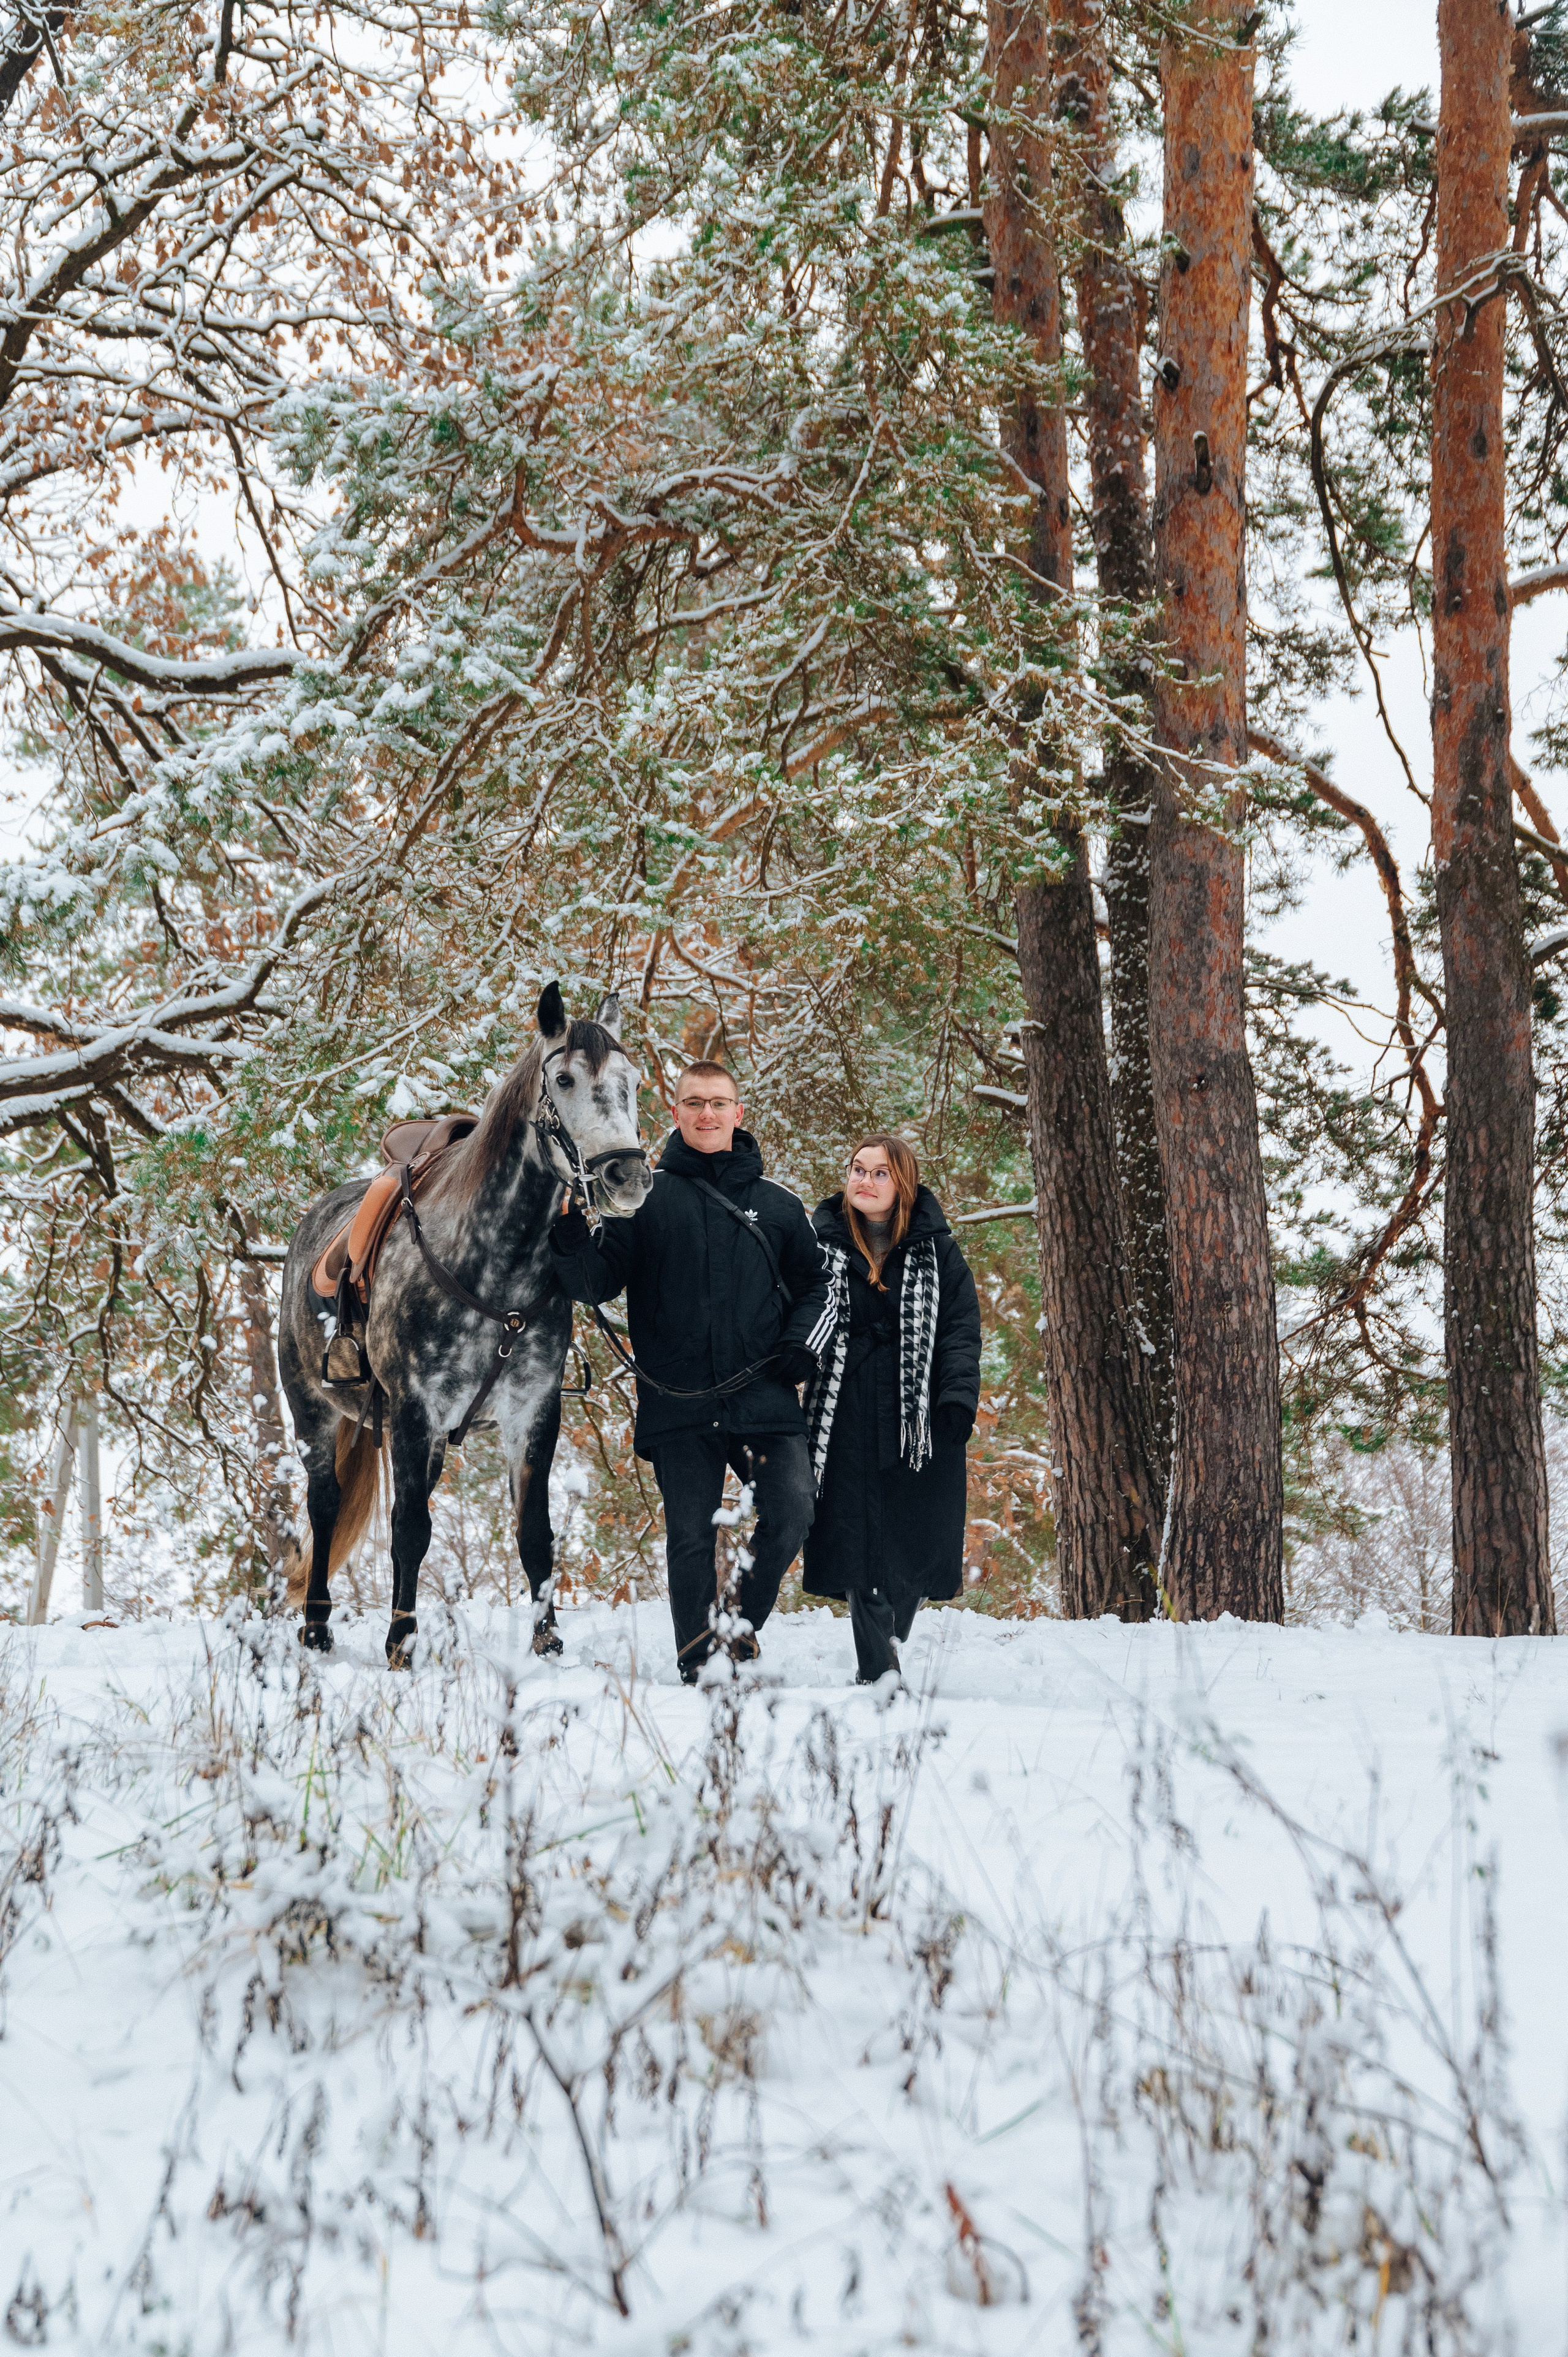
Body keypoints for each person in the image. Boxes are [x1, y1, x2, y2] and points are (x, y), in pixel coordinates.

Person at [550, 1059, 831, 1681]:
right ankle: (696, 1661)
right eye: (694, 1103)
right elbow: (597, 1282)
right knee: (691, 1539)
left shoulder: (780, 1205)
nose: (707, 1113)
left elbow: (821, 1286)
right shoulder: (640, 1200)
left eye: (719, 1102)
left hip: (764, 1395)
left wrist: (802, 1346)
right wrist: (569, 1234)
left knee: (793, 1509)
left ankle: (739, 1624)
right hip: (678, 1403)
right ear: (674, 1114)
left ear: (738, 1112)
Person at [802, 1135, 982, 1684]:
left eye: (880, 1173)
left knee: (912, 1545)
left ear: (902, 1183)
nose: (864, 1180)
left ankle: (889, 1636)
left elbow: (959, 1331)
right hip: (845, 1412)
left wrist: (955, 1399)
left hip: (917, 1419)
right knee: (858, 1545)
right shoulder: (819, 1245)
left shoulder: (938, 1252)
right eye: (858, 1169)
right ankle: (878, 1668)